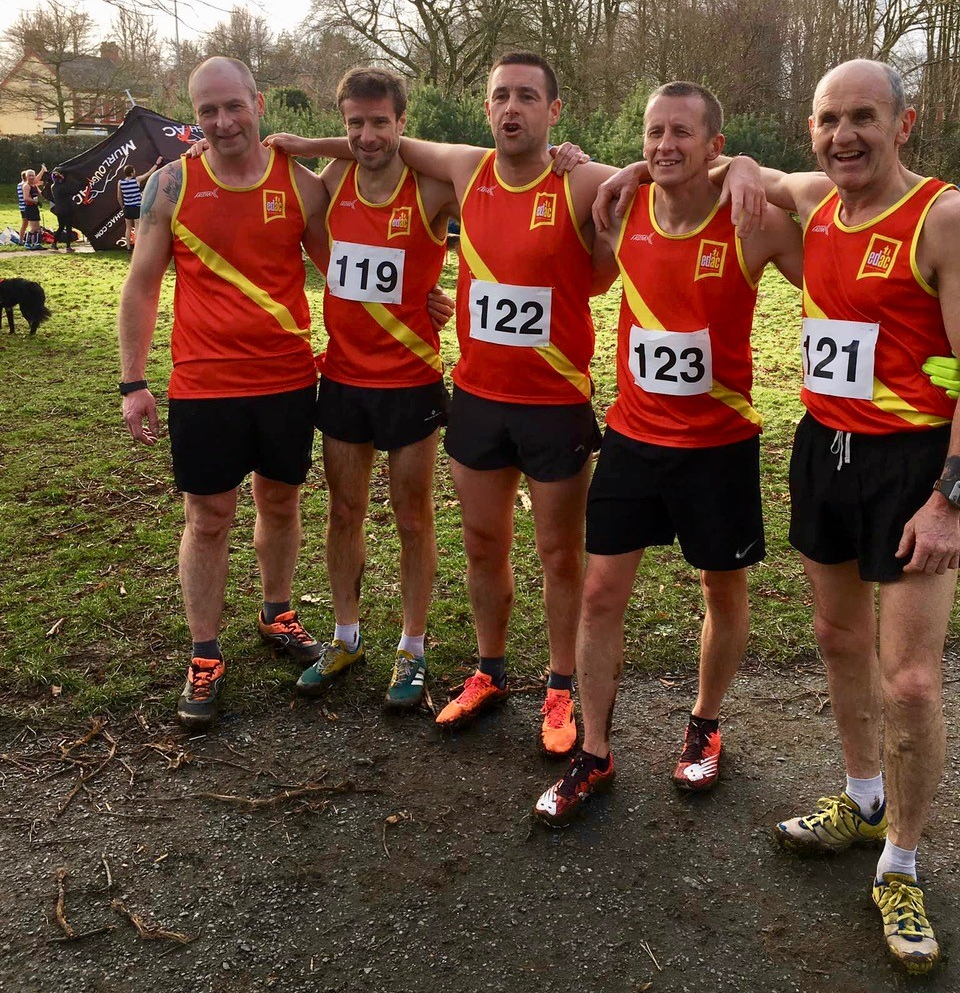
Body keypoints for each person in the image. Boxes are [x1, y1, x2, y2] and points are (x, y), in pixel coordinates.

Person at [696, 60, 957, 975]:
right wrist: (740, 169)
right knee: (838, 639)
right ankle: (862, 799)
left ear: (904, 124)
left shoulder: (942, 217)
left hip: (914, 466)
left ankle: (904, 863)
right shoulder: (817, 197)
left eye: (862, 119)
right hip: (825, 447)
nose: (842, 136)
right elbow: (761, 175)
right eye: (827, 120)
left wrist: (948, 498)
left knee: (913, 681)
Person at [272, 53, 614, 752]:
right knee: (468, 542)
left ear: (552, 110)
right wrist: (305, 146)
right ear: (486, 107)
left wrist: (580, 161)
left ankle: (545, 683)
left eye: (526, 96)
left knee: (545, 551)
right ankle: (470, 666)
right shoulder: (402, 173)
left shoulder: (509, 179)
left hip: (512, 394)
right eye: (500, 96)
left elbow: (623, 214)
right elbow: (368, 149)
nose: (510, 107)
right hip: (442, 390)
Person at [533, 82, 803, 827]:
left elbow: (840, 277)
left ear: (714, 146)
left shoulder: (755, 221)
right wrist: (581, 158)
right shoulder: (624, 206)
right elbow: (557, 210)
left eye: (683, 133)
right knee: (598, 595)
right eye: (654, 132)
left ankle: (706, 720)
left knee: (723, 592)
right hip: (632, 439)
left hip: (720, 446)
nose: (664, 146)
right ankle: (595, 752)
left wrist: (753, 164)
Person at [118, 56, 330, 730]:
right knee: (208, 518)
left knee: (281, 501)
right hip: (205, 387)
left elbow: (346, 272)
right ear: (194, 116)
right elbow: (142, 286)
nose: (222, 121)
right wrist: (133, 382)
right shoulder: (171, 186)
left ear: (257, 102)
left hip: (289, 380)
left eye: (233, 106)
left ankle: (277, 613)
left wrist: (419, 304)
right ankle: (205, 653)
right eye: (207, 110)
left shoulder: (299, 183)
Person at [269, 66, 460, 709]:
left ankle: (412, 648)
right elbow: (317, 242)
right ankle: (346, 636)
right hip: (344, 377)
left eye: (380, 122)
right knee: (344, 511)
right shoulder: (335, 178)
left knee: (412, 517)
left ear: (403, 122)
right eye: (355, 122)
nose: (367, 134)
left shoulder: (430, 185)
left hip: (410, 379)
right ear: (343, 121)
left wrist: (453, 298)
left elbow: (500, 214)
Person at [117, 158, 163, 251]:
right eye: (134, 171)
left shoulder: (120, 182)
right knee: (137, 227)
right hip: (136, 207)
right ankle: (137, 248)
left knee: (128, 228)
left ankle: (128, 248)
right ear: (131, 172)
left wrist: (123, 207)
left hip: (127, 208)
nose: (135, 172)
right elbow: (149, 173)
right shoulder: (137, 180)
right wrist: (157, 163)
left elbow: (119, 197)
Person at [21, 167, 46, 249]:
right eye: (29, 176)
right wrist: (35, 201)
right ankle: (27, 243)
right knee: (33, 228)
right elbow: (25, 198)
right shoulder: (26, 186)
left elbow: (41, 193)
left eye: (32, 176)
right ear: (26, 177)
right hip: (29, 207)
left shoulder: (34, 185)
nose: (31, 177)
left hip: (35, 207)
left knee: (38, 228)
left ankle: (37, 243)